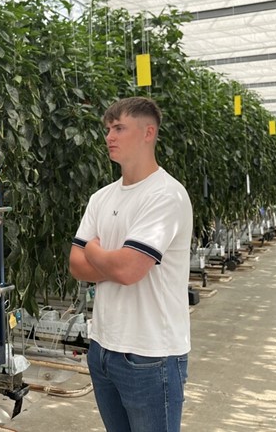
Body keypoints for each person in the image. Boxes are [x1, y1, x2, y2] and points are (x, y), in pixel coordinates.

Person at [69, 96, 193, 432]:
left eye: (119, 128)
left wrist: (95, 252)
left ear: (148, 132)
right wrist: (112, 260)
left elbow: (127, 270)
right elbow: (75, 265)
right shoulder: (102, 197)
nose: (110, 136)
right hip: (104, 348)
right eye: (108, 129)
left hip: (151, 355)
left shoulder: (165, 195)